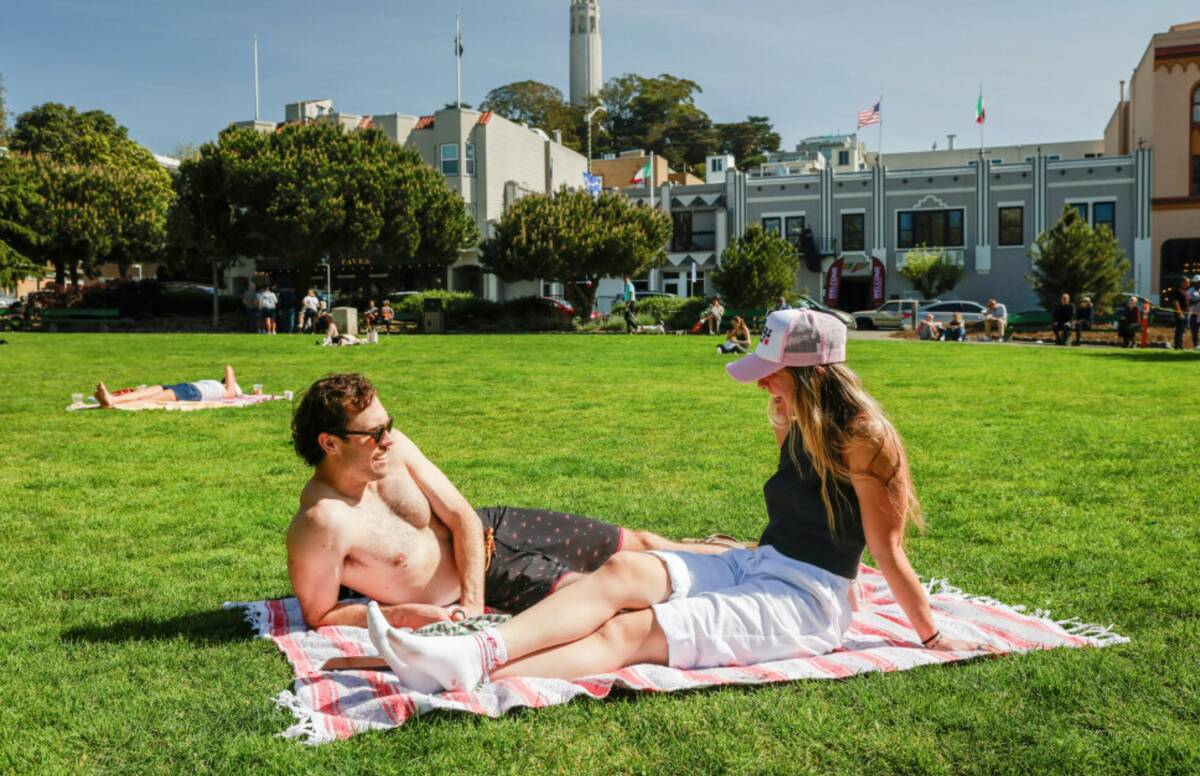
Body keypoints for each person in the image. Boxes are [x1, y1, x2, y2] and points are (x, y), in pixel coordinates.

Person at [366, 310, 995, 693]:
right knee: (624, 570)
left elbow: (886, 549)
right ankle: (476, 650)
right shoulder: (792, 416)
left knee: (631, 630)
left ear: (811, 374)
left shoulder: (866, 437)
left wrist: (933, 634)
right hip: (761, 565)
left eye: (773, 372)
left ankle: (473, 672)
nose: (763, 382)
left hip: (809, 601)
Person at [286, 374, 728, 631]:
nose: (388, 439)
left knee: (642, 543)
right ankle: (737, 590)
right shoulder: (323, 523)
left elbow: (460, 515)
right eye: (374, 434)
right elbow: (320, 614)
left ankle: (752, 556)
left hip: (490, 527)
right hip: (494, 576)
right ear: (330, 443)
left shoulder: (394, 448)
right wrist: (405, 615)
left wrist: (474, 607)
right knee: (624, 594)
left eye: (388, 426)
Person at [93, 364, 255, 408]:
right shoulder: (221, 388)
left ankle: (112, 402)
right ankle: (112, 398)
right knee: (144, 392)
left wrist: (230, 372)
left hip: (192, 393)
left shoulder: (229, 393)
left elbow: (229, 368)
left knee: (149, 400)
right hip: (186, 386)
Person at [1171, 277, 1191, 351]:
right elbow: (1176, 302)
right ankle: (1177, 346)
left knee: (1182, 330)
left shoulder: (1185, 291)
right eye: (1187, 283)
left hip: (1185, 313)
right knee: (1179, 330)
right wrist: (1180, 313)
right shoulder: (1177, 291)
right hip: (1180, 313)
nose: (1188, 284)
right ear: (1182, 283)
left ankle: (1179, 345)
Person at [1188, 274, 1200, 350]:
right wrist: (1198, 300)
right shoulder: (1190, 291)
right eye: (1198, 282)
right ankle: (1196, 345)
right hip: (1193, 314)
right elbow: (1189, 302)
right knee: (1194, 330)